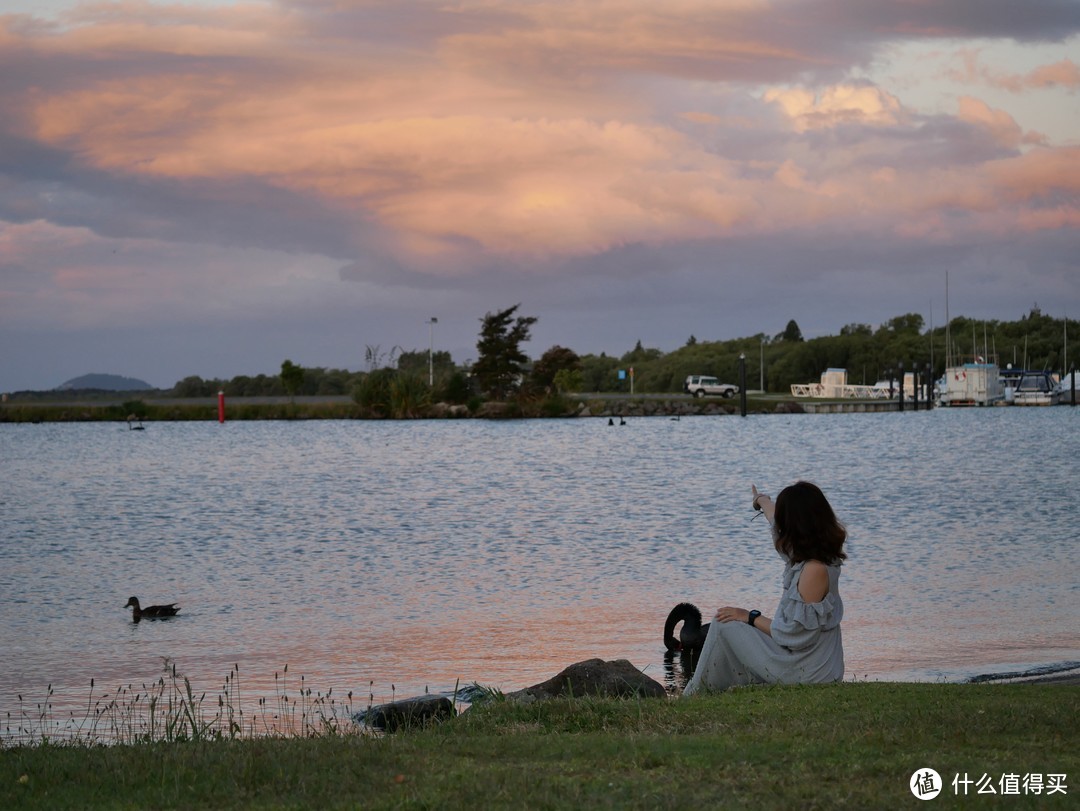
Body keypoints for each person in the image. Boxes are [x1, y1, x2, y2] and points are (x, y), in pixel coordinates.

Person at [681, 481, 846, 695]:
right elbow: (774, 520)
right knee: (726, 622)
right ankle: (706, 691)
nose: (779, 527)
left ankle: (694, 695)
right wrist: (762, 501)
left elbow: (795, 635)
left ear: (795, 525)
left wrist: (750, 617)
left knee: (723, 623)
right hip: (805, 660)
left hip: (809, 671)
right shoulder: (812, 553)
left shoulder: (814, 570)